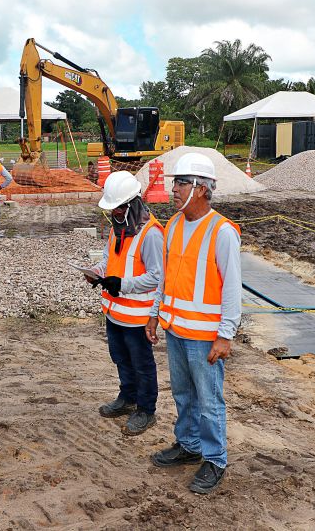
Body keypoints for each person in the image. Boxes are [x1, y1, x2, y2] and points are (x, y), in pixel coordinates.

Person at [145, 152, 241, 495]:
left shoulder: (222, 231)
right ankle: (188, 445)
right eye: (176, 183)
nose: (174, 189)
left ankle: (215, 459)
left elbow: (232, 288)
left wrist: (225, 335)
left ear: (201, 189)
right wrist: (155, 313)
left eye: (181, 183)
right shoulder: (172, 226)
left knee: (209, 400)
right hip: (176, 329)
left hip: (204, 337)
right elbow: (165, 279)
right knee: (184, 395)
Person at [85, 171, 163, 435]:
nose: (115, 213)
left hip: (138, 316)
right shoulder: (117, 229)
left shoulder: (150, 234)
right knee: (120, 358)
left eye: (119, 208)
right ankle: (127, 398)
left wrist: (123, 284)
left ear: (132, 204)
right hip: (115, 312)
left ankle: (146, 410)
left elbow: (156, 276)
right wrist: (97, 272)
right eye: (112, 209)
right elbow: (109, 260)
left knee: (142, 364)